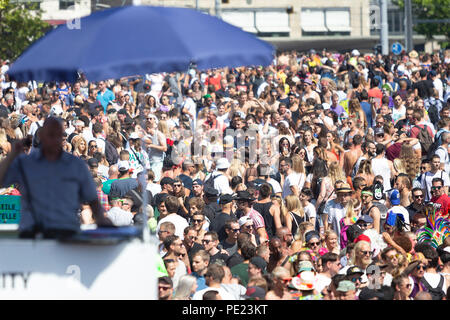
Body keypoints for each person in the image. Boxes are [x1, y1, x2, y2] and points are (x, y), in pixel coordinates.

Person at [0, 117, 112, 237]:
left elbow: (92, 200)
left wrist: (102, 220)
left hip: (66, 233)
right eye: (50, 135)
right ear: (42, 136)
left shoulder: (76, 164)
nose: (54, 139)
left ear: (63, 138)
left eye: (58, 135)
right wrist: (13, 154)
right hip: (32, 234)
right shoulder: (25, 162)